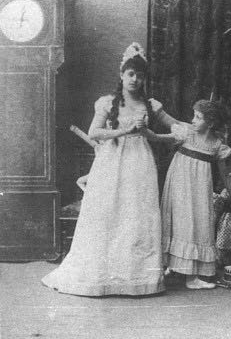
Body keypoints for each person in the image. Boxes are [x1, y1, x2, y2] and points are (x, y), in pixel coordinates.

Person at [42, 42, 178, 296]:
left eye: (140, 75)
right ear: (121, 75)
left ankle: (135, 277)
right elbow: (95, 132)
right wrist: (125, 130)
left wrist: (188, 128)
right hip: (112, 162)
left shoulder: (150, 105)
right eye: (130, 74)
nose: (135, 80)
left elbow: (172, 124)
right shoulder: (107, 102)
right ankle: (101, 276)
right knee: (108, 213)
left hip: (140, 163)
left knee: (136, 213)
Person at [160, 100, 231, 290]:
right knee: (176, 220)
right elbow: (168, 120)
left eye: (198, 117)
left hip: (199, 188)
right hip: (178, 183)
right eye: (193, 115)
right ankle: (171, 265)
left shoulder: (217, 144)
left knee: (197, 223)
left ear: (210, 123)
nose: (193, 120)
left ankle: (192, 275)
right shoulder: (187, 132)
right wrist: (158, 109)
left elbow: (224, 172)